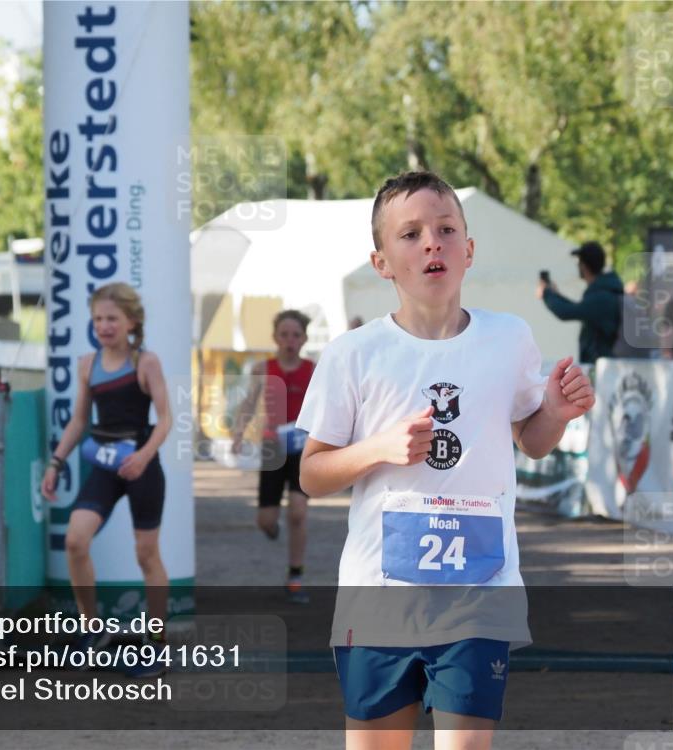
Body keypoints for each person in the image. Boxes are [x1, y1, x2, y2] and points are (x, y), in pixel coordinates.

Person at [297, 171, 594, 750]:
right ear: (381, 262)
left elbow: (531, 441)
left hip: (477, 592)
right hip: (378, 593)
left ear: (469, 249)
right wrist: (378, 448)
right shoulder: (353, 354)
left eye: (446, 229)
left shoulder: (508, 338)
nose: (431, 242)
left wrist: (555, 412)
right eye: (410, 234)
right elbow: (311, 474)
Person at [41, 282, 172, 677]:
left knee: (146, 554)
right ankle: (91, 630)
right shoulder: (87, 364)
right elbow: (80, 420)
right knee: (75, 541)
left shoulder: (146, 362)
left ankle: (158, 643)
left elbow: (166, 420)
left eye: (112, 318)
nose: (104, 325)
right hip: (103, 464)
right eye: (98, 318)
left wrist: (143, 456)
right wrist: (56, 463)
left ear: (131, 321)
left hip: (141, 465)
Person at [231, 310, 315, 603]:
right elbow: (248, 403)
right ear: (275, 337)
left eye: (296, 335)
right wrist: (238, 433)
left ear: (304, 338)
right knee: (265, 521)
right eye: (284, 335)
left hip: (303, 448)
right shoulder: (262, 370)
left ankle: (295, 575)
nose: (290, 341)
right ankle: (272, 527)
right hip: (272, 447)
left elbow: (327, 408)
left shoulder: (314, 370)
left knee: (298, 511)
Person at [538, 240, 624, 364]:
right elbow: (578, 308)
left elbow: (566, 312)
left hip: (602, 368)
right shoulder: (606, 291)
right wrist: (554, 294)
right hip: (605, 365)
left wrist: (546, 293)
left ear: (583, 265)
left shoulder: (601, 297)